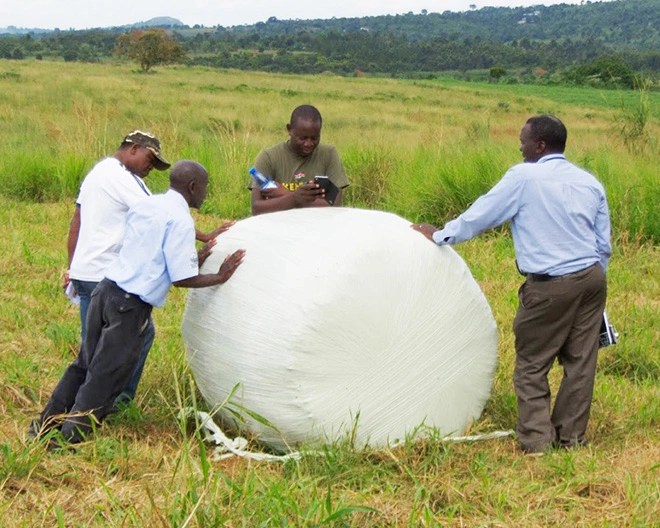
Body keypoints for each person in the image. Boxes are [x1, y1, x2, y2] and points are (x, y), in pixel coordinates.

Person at [412, 115, 611, 454]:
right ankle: (571, 439)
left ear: (540, 145)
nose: (519, 146)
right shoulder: (588, 182)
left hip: (551, 285)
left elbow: (483, 214)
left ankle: (536, 442)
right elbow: (602, 244)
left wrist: (441, 234)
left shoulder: (523, 177)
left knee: (532, 364)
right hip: (592, 279)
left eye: (523, 140)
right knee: (581, 363)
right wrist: (591, 285)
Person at [31, 160, 246, 446]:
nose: (205, 193)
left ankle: (44, 425)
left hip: (104, 292)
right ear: (193, 187)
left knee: (84, 363)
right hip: (128, 306)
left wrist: (197, 258)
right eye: (204, 187)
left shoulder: (150, 205)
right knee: (104, 375)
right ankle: (69, 439)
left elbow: (154, 254)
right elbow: (181, 278)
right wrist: (219, 276)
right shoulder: (181, 220)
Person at [65, 130, 232, 405]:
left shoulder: (100, 172)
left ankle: (75, 407)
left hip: (90, 272)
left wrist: (73, 268)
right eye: (150, 159)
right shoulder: (119, 177)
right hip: (112, 279)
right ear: (133, 149)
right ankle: (107, 404)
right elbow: (162, 215)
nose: (151, 168)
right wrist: (206, 242)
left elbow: (77, 220)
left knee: (92, 349)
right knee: (113, 351)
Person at [249, 104, 349, 215]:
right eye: (302, 138)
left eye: (314, 138)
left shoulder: (329, 154)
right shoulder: (268, 157)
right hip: (278, 228)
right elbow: (257, 209)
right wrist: (294, 198)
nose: (309, 144)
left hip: (317, 227)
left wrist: (286, 195)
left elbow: (335, 205)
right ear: (289, 130)